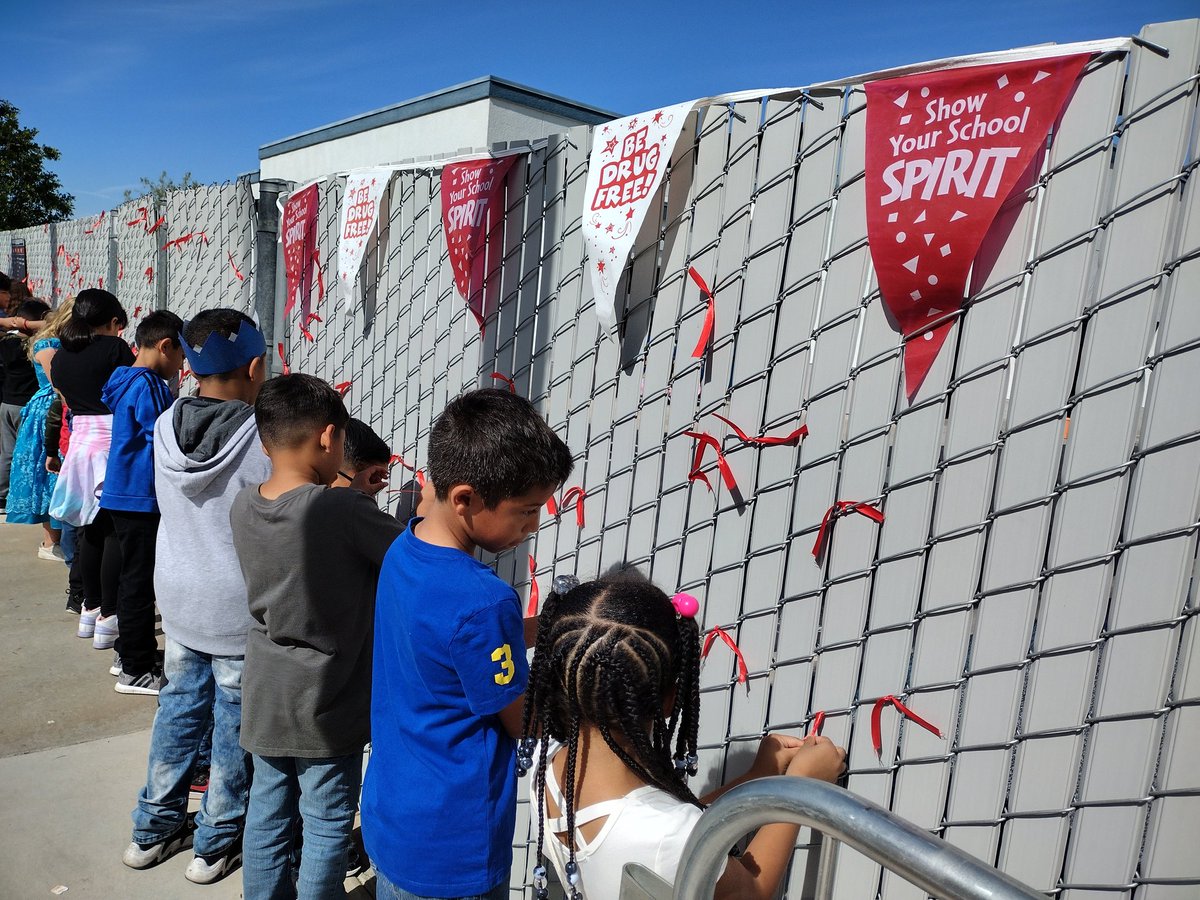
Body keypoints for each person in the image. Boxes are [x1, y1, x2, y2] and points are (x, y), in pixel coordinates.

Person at [363, 387, 574, 900]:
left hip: (394, 817)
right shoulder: (484, 601)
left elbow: (449, 648)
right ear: (465, 498)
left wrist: (534, 629)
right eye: (525, 511)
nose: (533, 525)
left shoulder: (404, 548)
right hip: (453, 845)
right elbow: (524, 720)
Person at [519, 572, 848, 900]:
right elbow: (750, 889)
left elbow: (657, 826)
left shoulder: (543, 765)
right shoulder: (667, 832)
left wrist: (756, 778)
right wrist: (798, 787)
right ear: (671, 699)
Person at [229, 374, 397, 898]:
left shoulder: (243, 504)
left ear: (264, 440)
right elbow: (411, 554)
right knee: (326, 821)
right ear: (329, 438)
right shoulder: (342, 510)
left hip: (265, 692)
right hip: (326, 699)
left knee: (267, 813)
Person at [123, 308, 269, 885]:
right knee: (233, 723)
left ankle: (152, 828)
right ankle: (215, 842)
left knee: (179, 710)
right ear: (255, 366)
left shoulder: (163, 425)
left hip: (179, 597)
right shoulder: (259, 436)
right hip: (236, 606)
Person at [99, 310, 185, 694]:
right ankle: (135, 667)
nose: (181, 367)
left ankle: (128, 653)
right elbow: (161, 437)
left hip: (122, 492)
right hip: (139, 496)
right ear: (165, 346)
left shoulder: (123, 378)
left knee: (131, 578)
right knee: (139, 582)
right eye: (180, 357)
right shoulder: (149, 385)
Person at [48, 289, 133, 650]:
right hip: (112, 443)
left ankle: (91, 608)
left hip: (81, 445)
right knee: (114, 531)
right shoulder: (114, 350)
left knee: (91, 530)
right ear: (114, 323)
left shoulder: (63, 356)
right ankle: (109, 616)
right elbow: (132, 391)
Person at [1, 300, 55, 549]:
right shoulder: (36, 347)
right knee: (29, 456)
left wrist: (16, 324)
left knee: (8, 454)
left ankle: (3, 495)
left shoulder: (8, 344)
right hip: (26, 407)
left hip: (7, 404)